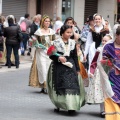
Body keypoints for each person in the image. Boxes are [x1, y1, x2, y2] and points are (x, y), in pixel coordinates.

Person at [47, 25, 85, 113]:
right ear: (62, 33)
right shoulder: (55, 42)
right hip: (59, 66)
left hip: (71, 66)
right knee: (61, 85)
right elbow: (51, 55)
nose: (69, 34)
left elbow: (75, 56)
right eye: (67, 32)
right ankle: (59, 104)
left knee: (72, 85)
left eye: (70, 32)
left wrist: (78, 69)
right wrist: (58, 58)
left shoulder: (72, 42)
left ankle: (71, 106)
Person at [98, 25, 120, 120]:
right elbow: (103, 62)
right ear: (116, 35)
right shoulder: (108, 46)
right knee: (113, 97)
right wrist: (110, 63)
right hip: (113, 78)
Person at [29, 15, 55, 94]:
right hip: (40, 53)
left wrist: (53, 47)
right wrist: (35, 43)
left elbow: (54, 41)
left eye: (48, 21)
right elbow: (33, 42)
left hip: (49, 53)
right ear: (42, 22)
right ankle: (44, 86)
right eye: (45, 21)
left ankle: (47, 86)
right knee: (42, 69)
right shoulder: (39, 31)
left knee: (48, 69)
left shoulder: (52, 31)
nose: (47, 23)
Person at [87, 34, 112, 118]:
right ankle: (102, 110)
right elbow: (94, 62)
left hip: (110, 73)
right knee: (101, 92)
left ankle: (109, 109)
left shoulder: (113, 50)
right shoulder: (99, 49)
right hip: (100, 73)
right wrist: (91, 71)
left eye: (106, 41)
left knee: (109, 91)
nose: (104, 42)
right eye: (103, 40)